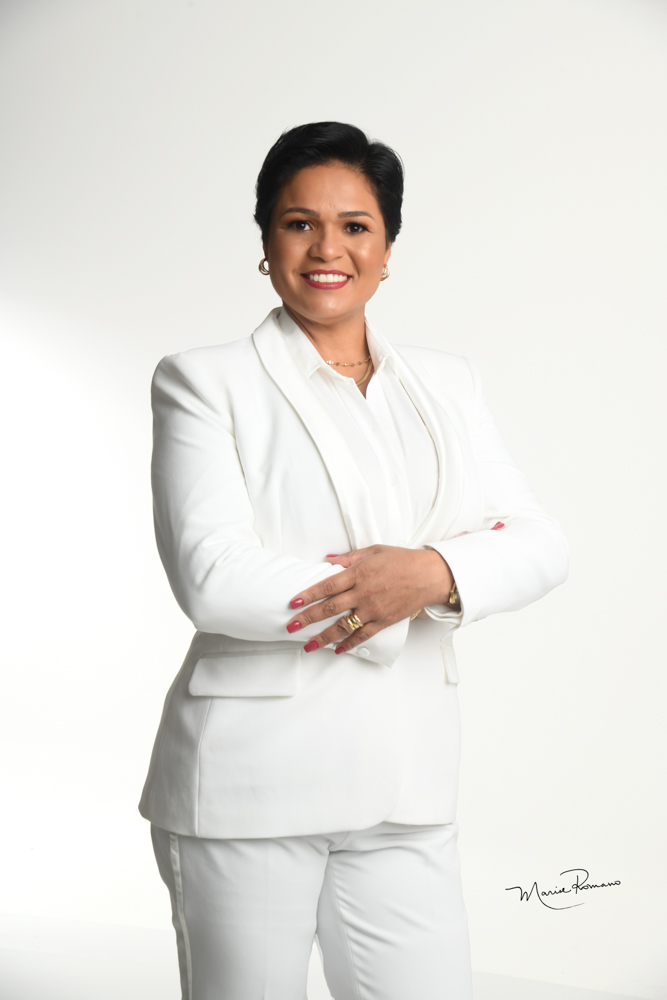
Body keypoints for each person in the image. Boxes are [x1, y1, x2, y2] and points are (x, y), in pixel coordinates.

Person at [139, 121, 569, 1000]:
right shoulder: (203, 380)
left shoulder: (447, 384)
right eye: (298, 223)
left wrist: (434, 574)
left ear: (387, 248)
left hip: (409, 788)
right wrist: (390, 597)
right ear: (265, 241)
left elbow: (538, 542)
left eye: (355, 226)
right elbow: (212, 575)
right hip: (251, 784)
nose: (326, 248)